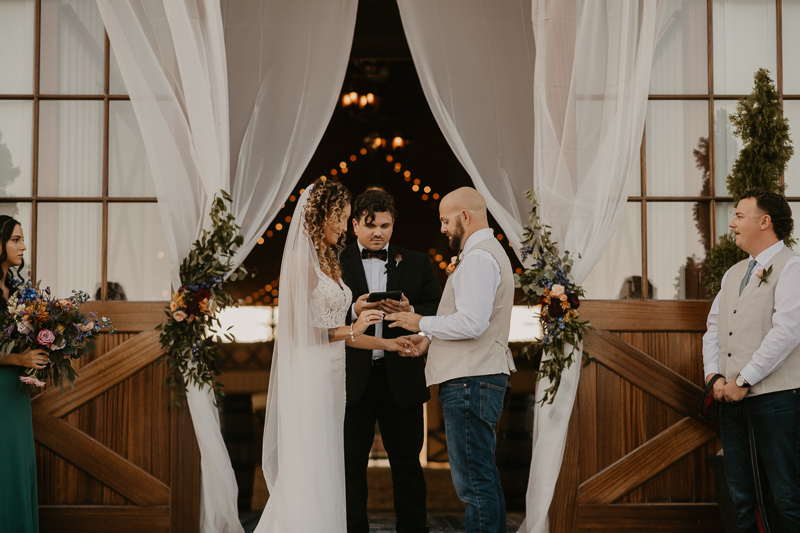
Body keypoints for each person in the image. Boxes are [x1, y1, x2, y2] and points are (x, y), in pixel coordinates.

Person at [254, 179, 418, 533]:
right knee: (311, 463)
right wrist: (354, 327)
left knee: (331, 465)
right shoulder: (301, 263)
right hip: (310, 378)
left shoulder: (328, 262)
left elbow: (338, 334)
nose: (344, 227)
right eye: (340, 218)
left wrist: (388, 344)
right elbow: (302, 334)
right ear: (320, 216)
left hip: (333, 378)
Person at [386, 187, 516, 533]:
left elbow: (473, 323)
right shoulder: (485, 254)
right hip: (478, 376)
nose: (442, 228)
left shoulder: (477, 259)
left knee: (473, 484)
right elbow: (467, 318)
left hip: (471, 380)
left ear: (465, 216)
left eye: (445, 220)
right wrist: (428, 340)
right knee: (482, 478)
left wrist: (420, 322)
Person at [339, 189, 442, 533]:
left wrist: (412, 310)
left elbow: (440, 309)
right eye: (370, 226)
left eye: (385, 225)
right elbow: (316, 315)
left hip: (402, 376)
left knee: (408, 465)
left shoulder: (417, 261)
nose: (378, 233)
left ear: (393, 225)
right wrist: (354, 308)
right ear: (354, 225)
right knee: (350, 467)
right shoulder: (334, 262)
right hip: (351, 380)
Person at [702, 188, 800, 531]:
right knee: (741, 496)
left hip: (777, 402)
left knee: (787, 497)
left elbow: (787, 332)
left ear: (765, 221)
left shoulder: (792, 268)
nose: (732, 223)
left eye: (740, 216)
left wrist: (744, 380)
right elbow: (713, 329)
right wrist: (714, 378)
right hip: (730, 401)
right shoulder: (733, 273)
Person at [0, 215, 48, 533]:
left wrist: (37, 366)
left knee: (18, 465)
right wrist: (20, 357)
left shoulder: (16, 289)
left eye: (22, 239)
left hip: (16, 392)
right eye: (16, 239)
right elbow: (14, 351)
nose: (23, 246)